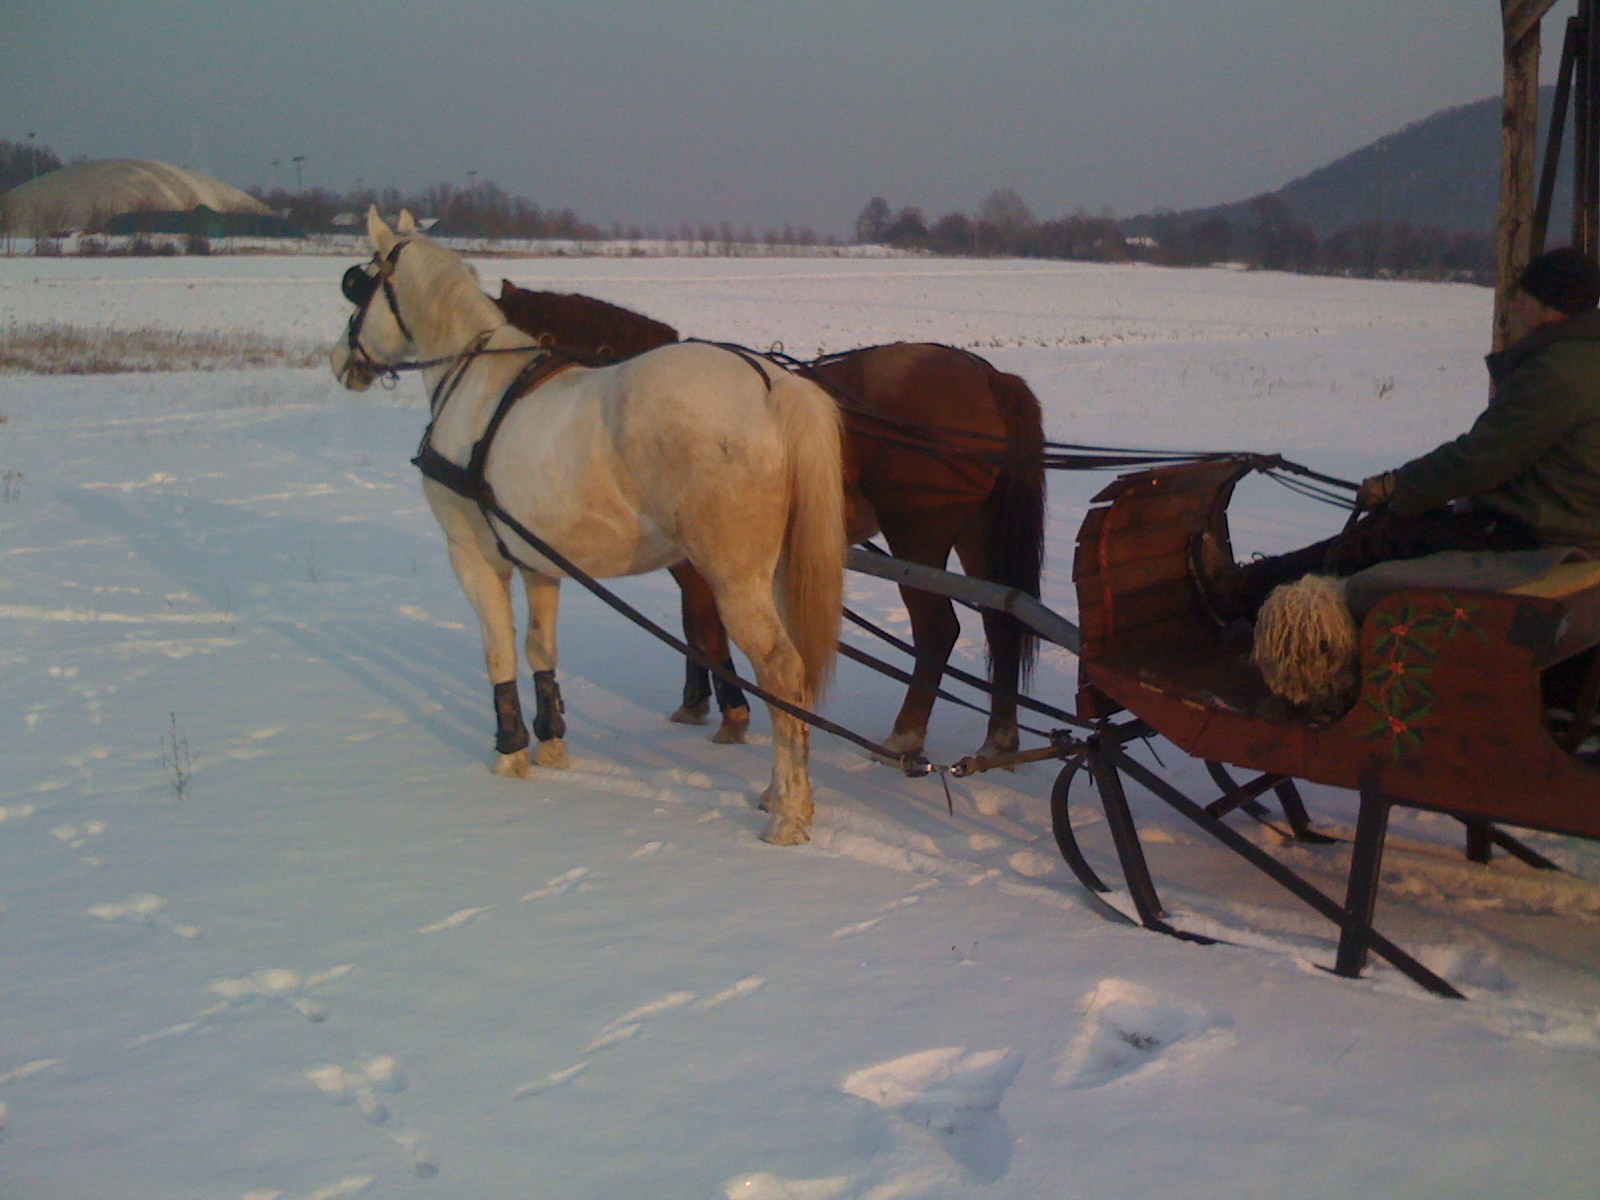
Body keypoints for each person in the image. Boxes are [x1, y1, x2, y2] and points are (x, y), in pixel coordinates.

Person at [1192, 247, 1600, 622]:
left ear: (1549, 309)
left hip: (1536, 535)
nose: (1514, 307)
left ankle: (1244, 594)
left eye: (1521, 297)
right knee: (1395, 529)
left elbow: (1480, 459)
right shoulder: (1580, 359)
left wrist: (1397, 486)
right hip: (1563, 521)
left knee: (1378, 542)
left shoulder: (1555, 373)